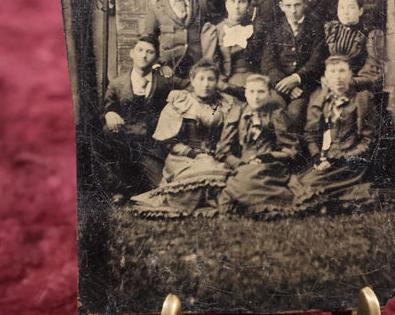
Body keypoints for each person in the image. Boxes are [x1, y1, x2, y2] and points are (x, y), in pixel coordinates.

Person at [130, 60, 234, 217]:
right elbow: (170, 142)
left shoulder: (225, 103)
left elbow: (230, 135)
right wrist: (195, 154)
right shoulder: (180, 102)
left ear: (217, 82)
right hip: (183, 158)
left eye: (210, 79)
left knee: (226, 175)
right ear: (192, 80)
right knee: (205, 173)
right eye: (201, 79)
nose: (206, 84)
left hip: (216, 155)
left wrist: (218, 152)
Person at [291, 56, 378, 210]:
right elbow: (310, 134)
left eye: (342, 71)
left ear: (350, 74)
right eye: (332, 72)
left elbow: (367, 141)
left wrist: (343, 159)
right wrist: (318, 158)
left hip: (351, 163)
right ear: (325, 77)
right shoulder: (322, 100)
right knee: (298, 181)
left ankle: (330, 201)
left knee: (310, 185)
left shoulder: (361, 99)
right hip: (327, 160)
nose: (337, 77)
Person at [101, 35, 176, 204]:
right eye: (140, 50)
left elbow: (190, 84)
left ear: (156, 58)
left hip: (150, 145)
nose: (144, 55)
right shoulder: (117, 83)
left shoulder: (163, 82)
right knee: (108, 130)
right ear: (132, 53)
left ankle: (139, 184)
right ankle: (119, 189)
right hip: (125, 142)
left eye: (150, 52)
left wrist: (179, 95)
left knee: (161, 188)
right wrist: (109, 113)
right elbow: (108, 105)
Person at [216, 74, 296, 216]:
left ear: (269, 93)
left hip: (270, 164)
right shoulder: (237, 113)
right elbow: (223, 150)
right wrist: (239, 165)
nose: (256, 97)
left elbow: (290, 150)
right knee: (243, 178)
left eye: (261, 92)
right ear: (245, 93)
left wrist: (268, 156)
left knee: (245, 182)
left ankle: (254, 205)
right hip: (243, 164)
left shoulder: (276, 114)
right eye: (251, 92)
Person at [261, 0, 326, 130]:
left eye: (297, 5)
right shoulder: (274, 28)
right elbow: (267, 63)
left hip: (303, 86)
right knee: (271, 110)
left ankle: (293, 151)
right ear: (281, 6)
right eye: (288, 5)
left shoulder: (315, 27)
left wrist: (296, 78)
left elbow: (316, 61)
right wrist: (284, 84)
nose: (293, 10)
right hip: (279, 85)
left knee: (295, 113)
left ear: (305, 3)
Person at [143, 0, 204, 81]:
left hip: (197, 72)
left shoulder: (200, 4)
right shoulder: (157, 9)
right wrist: (157, 65)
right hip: (168, 72)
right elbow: (147, 40)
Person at [200, 0, 261, 98]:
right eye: (232, 1)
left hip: (252, 82)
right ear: (226, 4)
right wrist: (225, 87)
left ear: (248, 5)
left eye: (241, 2)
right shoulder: (214, 30)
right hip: (225, 84)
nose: (236, 6)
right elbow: (209, 67)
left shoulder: (253, 29)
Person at [324, 0, 369, 74]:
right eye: (341, 8)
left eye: (351, 8)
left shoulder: (367, 34)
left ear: (360, 11)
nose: (345, 12)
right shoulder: (329, 30)